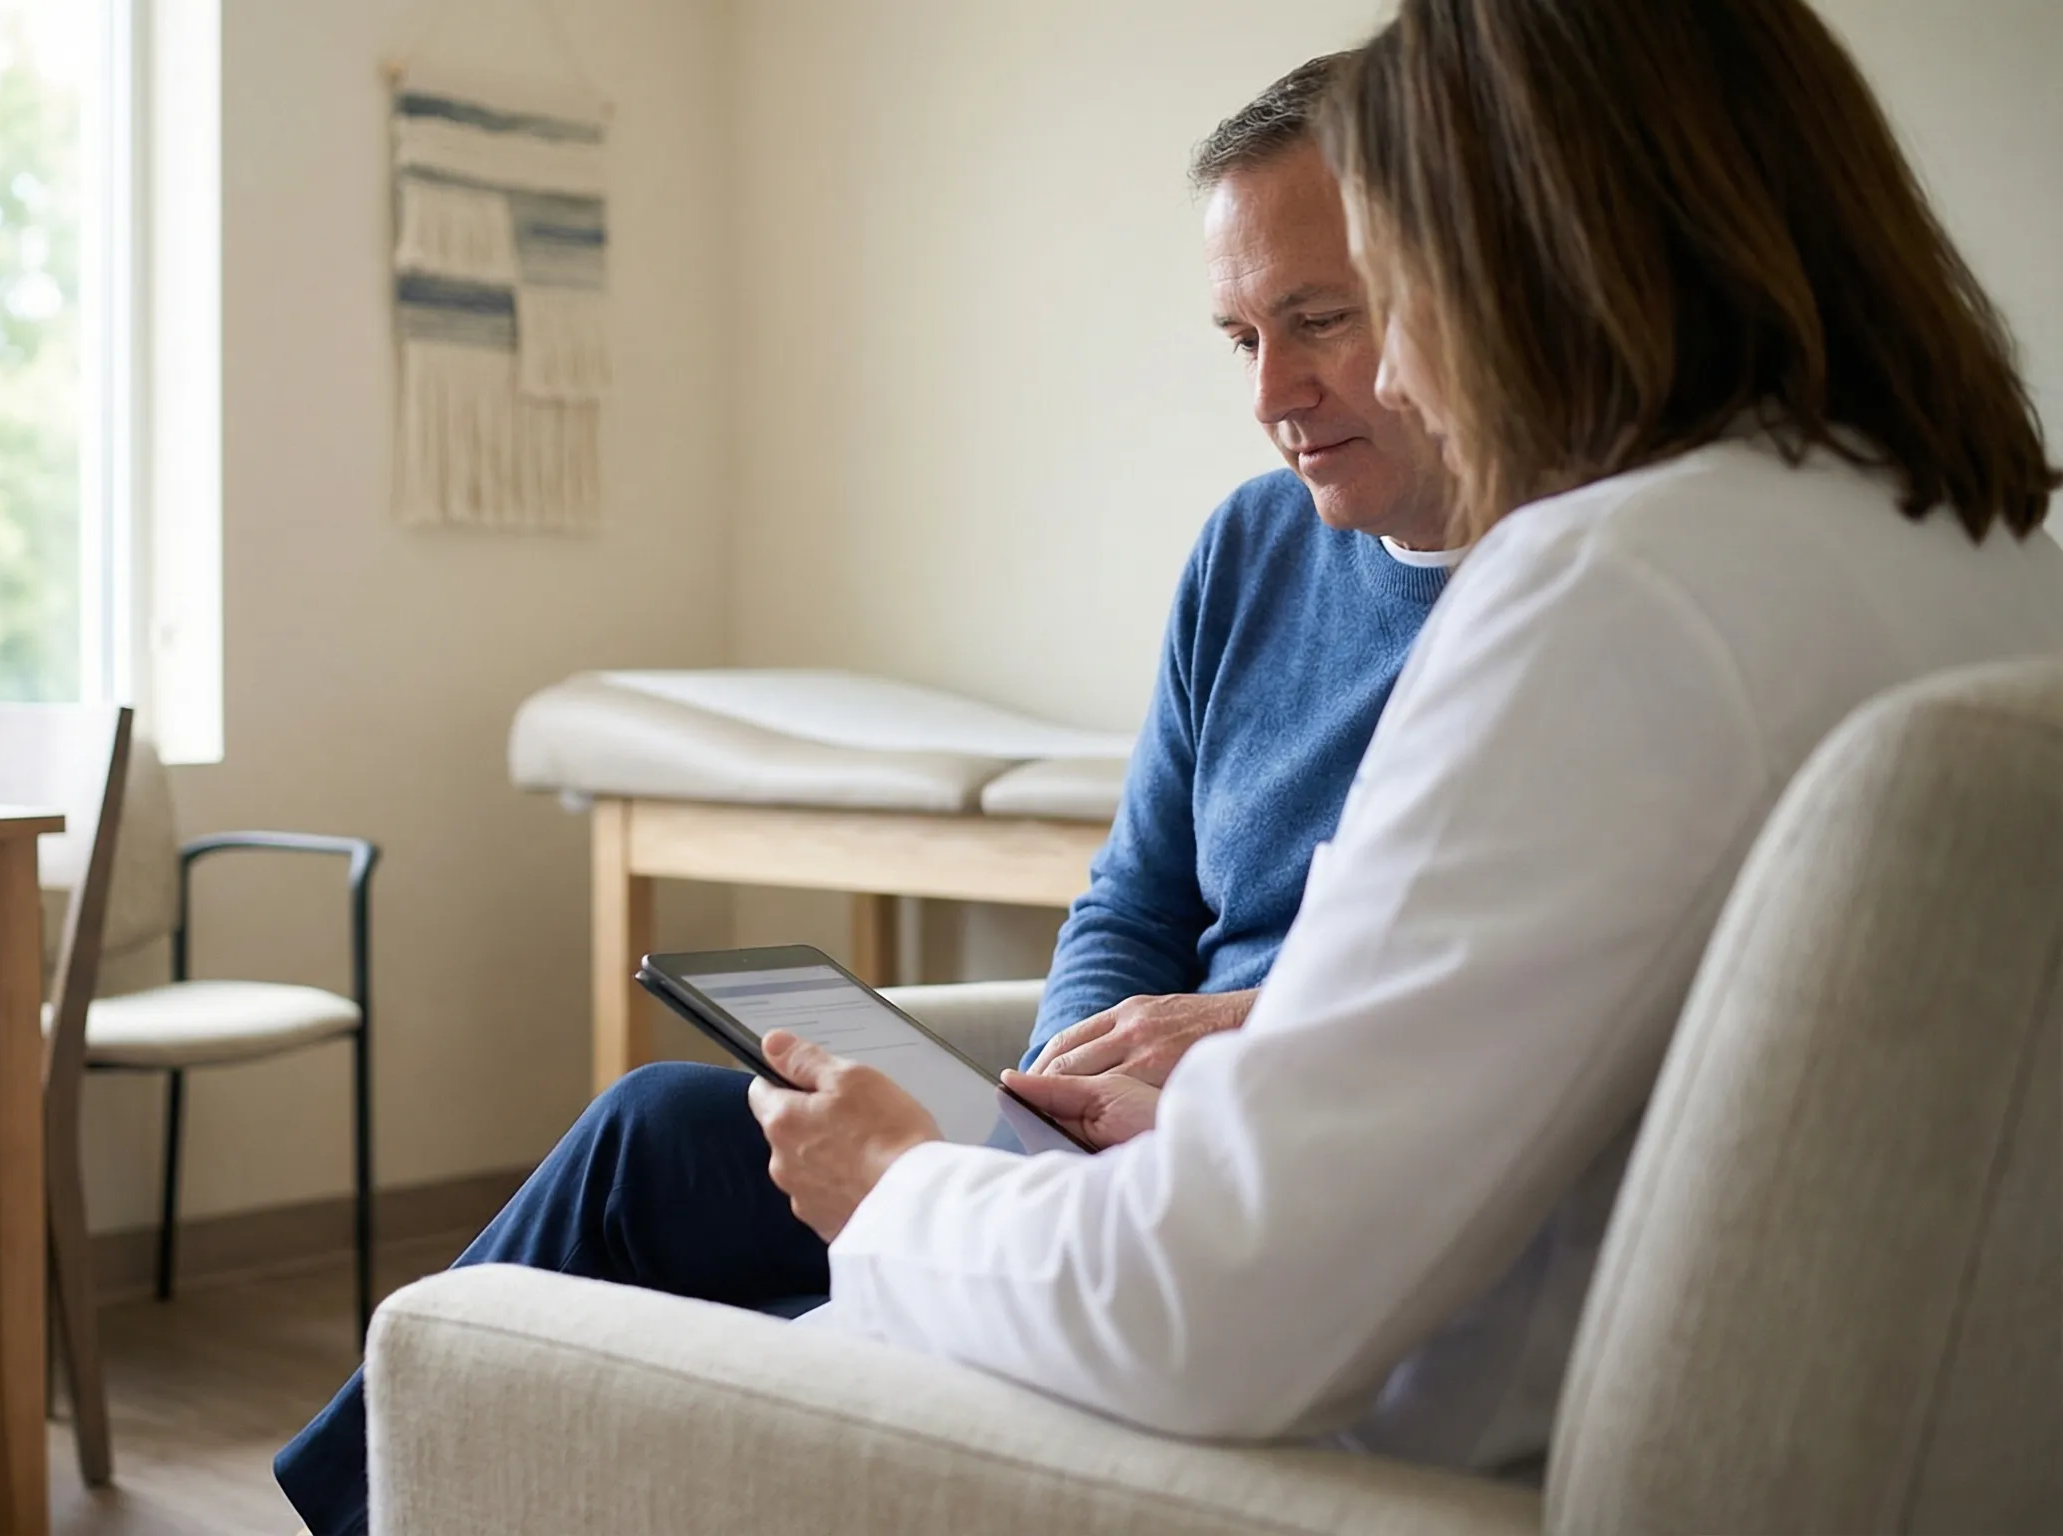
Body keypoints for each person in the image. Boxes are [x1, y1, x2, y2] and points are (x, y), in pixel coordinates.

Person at [743, 0, 2062, 1478]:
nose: (1398, 371)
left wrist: (901, 1188)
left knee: (485, 1336)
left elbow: (1208, 1312)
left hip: (1360, 1465)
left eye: (1389, 281)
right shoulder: (1994, 564)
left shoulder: (1618, 590)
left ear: (1542, 251)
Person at [276, 56, 1456, 1534]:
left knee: (740, 1263)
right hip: (1097, 1143)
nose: (1276, 395)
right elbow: (1135, 897)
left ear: (1447, 279)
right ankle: (346, 1511)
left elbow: (1462, 1012)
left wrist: (1218, 1055)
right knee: (654, 1126)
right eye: (1239, 339)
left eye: (1318, 321)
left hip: (1243, 1168)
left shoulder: (1560, 613)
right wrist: (1046, 1103)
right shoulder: (1253, 551)